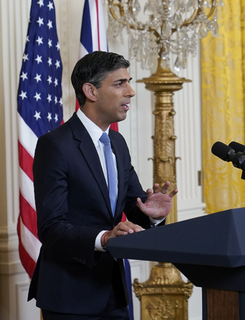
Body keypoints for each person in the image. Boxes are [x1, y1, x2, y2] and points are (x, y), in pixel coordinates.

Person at [28, 51, 178, 319]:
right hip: (70, 295)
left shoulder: (117, 143)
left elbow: (134, 207)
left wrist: (152, 215)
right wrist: (104, 237)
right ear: (91, 91)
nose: (131, 91)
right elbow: (51, 228)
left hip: (113, 291)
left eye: (128, 82)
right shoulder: (55, 145)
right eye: (120, 83)